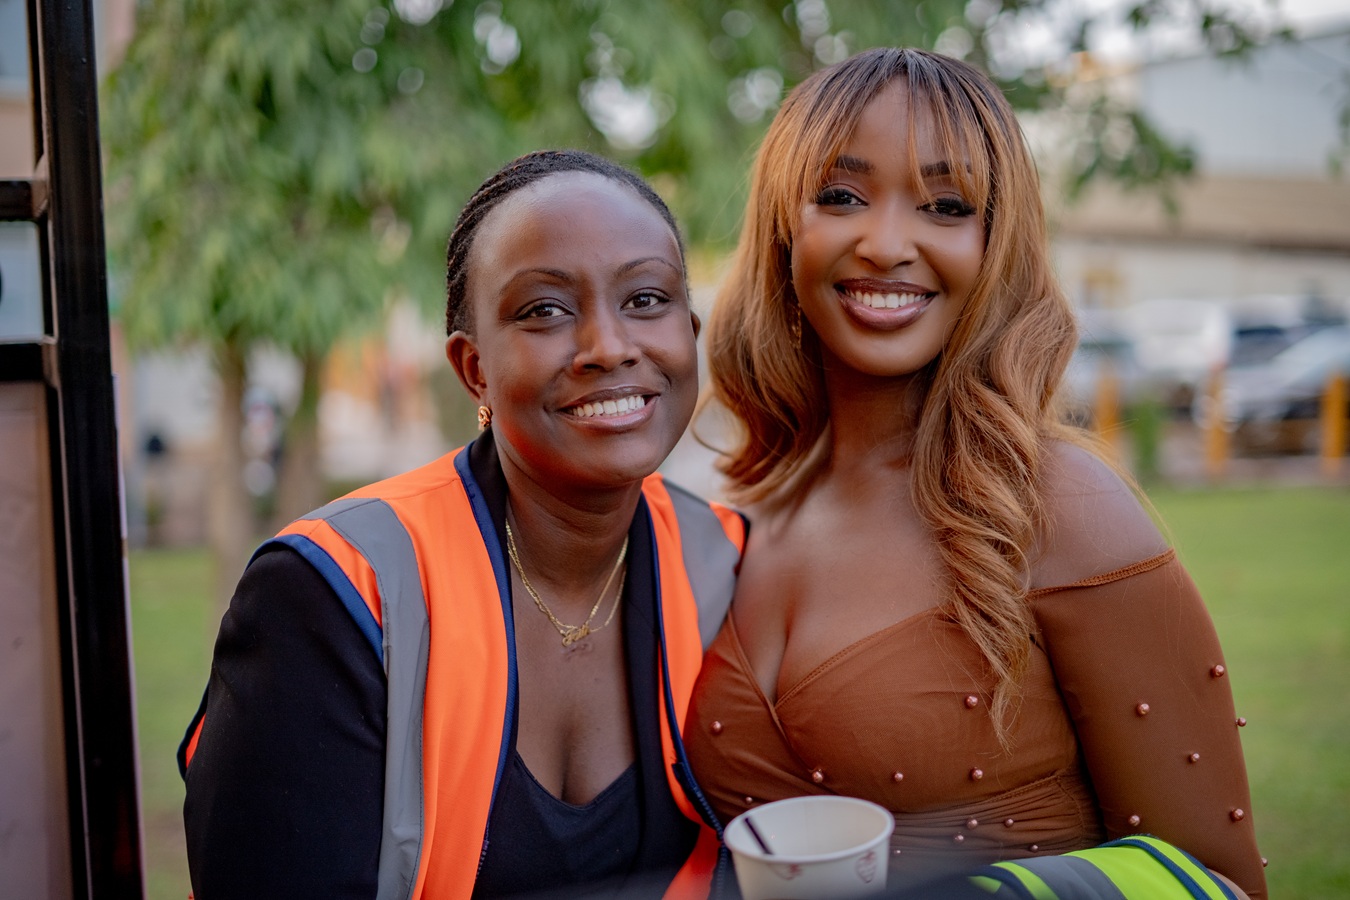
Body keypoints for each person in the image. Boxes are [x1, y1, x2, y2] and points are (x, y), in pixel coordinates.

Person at [685, 48, 1267, 899]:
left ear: (997, 243)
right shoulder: (746, 507)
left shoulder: (1064, 507)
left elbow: (1217, 884)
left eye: (946, 206)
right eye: (841, 196)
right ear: (783, 227)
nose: (887, 244)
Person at [179, 149, 746, 900]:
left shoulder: (728, 565)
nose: (610, 347)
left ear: (689, 333)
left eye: (646, 299)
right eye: (544, 310)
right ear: (473, 368)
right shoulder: (336, 593)